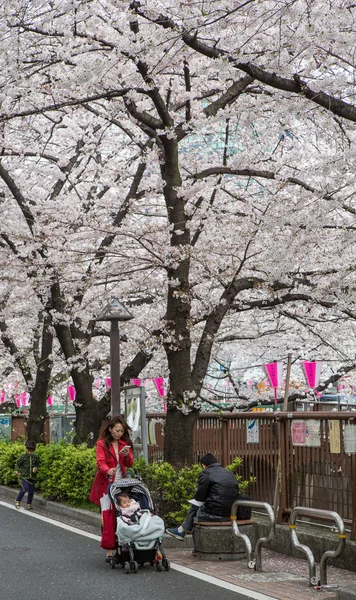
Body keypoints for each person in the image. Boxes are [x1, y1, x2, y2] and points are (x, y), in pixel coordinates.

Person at [89, 416, 134, 561]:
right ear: (110, 429)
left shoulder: (124, 443)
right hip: (106, 485)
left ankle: (121, 547)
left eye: (121, 431)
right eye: (117, 430)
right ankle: (109, 550)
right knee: (107, 517)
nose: (119, 433)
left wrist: (127, 456)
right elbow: (100, 462)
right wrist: (107, 470)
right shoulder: (102, 443)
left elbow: (130, 463)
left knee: (123, 515)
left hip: (121, 484)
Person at [166, 453, 239, 540]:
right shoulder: (229, 473)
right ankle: (181, 530)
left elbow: (199, 497)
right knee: (197, 506)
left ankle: (182, 531)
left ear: (203, 465)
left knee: (195, 508)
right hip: (232, 511)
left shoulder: (206, 473)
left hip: (214, 512)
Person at [15, 440, 40, 511]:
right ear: (26, 449)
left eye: (31, 451)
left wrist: (36, 468)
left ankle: (29, 503)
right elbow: (17, 465)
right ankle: (18, 500)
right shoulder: (23, 457)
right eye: (28, 450)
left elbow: (37, 465)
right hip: (25, 476)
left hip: (32, 477)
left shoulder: (35, 457)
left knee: (31, 491)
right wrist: (17, 471)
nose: (30, 452)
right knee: (24, 488)